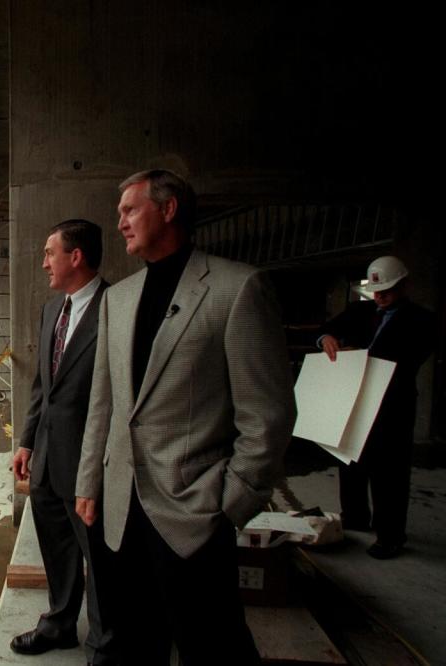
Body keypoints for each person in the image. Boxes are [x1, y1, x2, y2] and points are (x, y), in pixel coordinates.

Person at [75, 170, 295, 665]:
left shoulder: (237, 289)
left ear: (169, 208)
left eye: (131, 210)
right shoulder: (118, 298)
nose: (121, 223)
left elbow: (269, 415)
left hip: (193, 513)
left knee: (213, 645)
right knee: (132, 642)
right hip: (119, 514)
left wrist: (229, 502)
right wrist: (90, 482)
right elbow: (104, 404)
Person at [11, 219, 117, 664]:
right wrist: (27, 440)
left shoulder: (117, 308)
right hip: (48, 458)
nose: (44, 262)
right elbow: (43, 385)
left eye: (50, 252)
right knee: (56, 546)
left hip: (92, 461)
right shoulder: (52, 310)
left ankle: (106, 643)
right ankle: (59, 624)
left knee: (102, 557)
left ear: (76, 256)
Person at [318, 256, 435, 559]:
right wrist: (326, 338)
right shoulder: (360, 311)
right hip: (353, 400)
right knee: (350, 461)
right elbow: (328, 328)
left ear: (405, 285)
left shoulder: (422, 320)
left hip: (392, 406)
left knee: (389, 473)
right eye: (377, 291)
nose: (380, 297)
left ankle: (391, 536)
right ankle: (355, 516)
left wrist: (365, 356)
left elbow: (411, 357)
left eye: (388, 291)